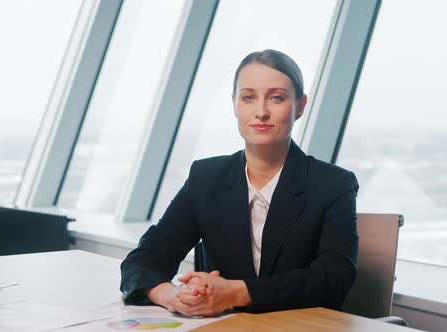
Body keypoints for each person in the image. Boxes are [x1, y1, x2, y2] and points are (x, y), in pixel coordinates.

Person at [120, 49, 359, 316]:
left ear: (300, 106)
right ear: (234, 104)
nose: (261, 112)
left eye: (277, 98)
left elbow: (333, 280)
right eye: (248, 98)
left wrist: (232, 293)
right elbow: (143, 259)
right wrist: (172, 295)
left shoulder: (334, 185)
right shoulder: (206, 177)